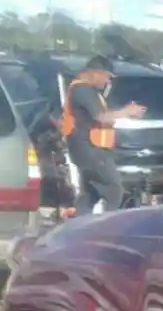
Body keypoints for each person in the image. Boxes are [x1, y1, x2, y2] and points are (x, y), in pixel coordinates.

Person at [62, 56, 144, 213]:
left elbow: (103, 115)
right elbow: (100, 116)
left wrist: (125, 113)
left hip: (85, 150)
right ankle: (108, 226)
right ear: (95, 73)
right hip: (91, 150)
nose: (107, 82)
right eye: (107, 77)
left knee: (90, 193)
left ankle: (79, 227)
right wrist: (127, 111)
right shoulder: (83, 90)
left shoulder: (83, 90)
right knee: (114, 189)